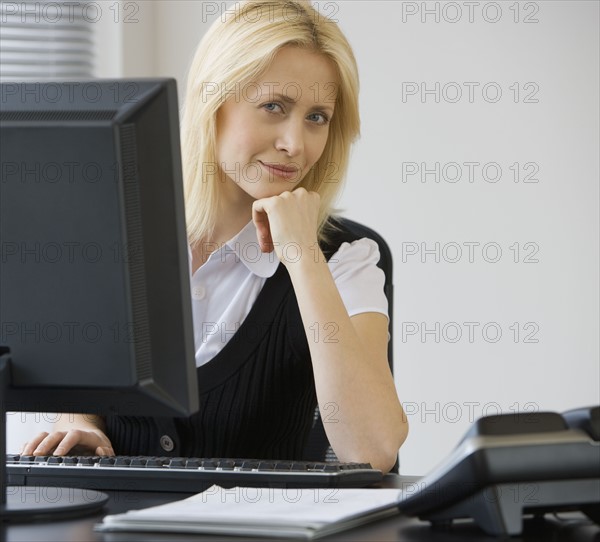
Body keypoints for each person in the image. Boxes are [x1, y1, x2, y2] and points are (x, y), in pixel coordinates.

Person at [22, 0, 408, 473]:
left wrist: (303, 255)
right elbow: (83, 375)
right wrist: (81, 424)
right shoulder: (113, 235)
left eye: (317, 117)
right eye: (274, 107)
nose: (295, 144)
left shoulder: (345, 258)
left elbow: (373, 450)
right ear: (213, 101)